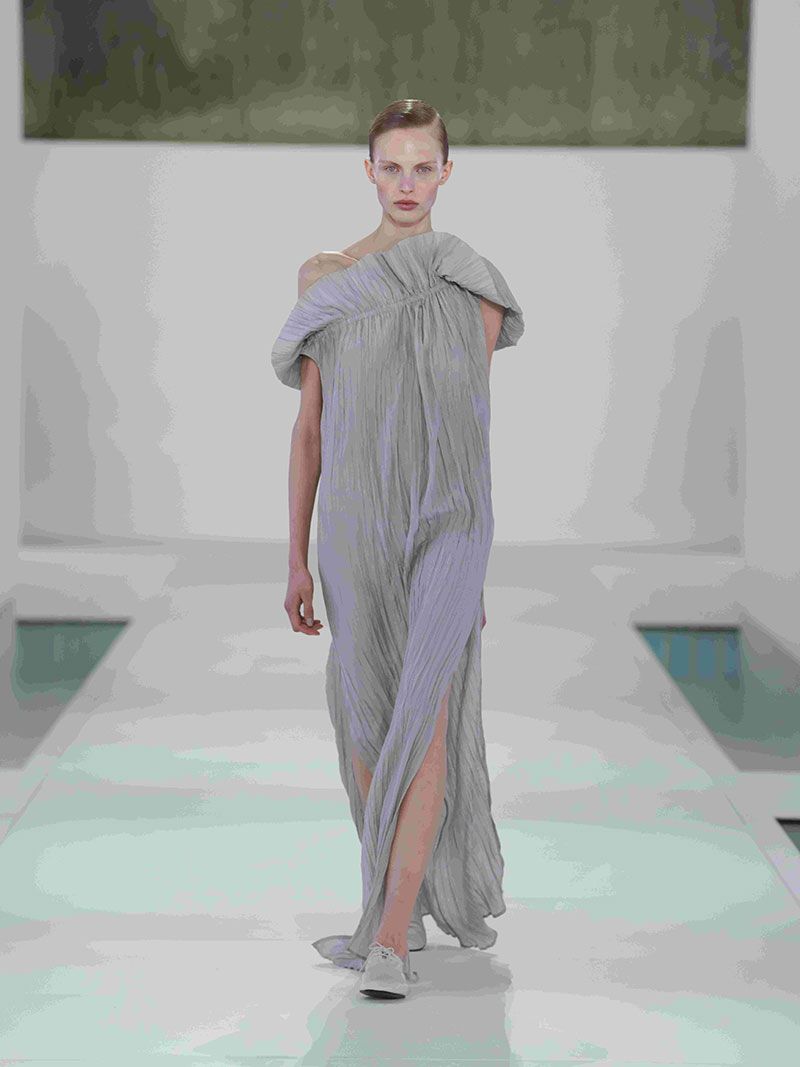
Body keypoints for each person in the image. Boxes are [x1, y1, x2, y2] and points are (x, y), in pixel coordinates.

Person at [270, 99, 525, 998]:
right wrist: (296, 556)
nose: (408, 184)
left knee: (426, 720)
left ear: (447, 173)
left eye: (424, 167)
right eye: (392, 167)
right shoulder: (327, 278)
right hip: (356, 524)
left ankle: (388, 936)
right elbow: (311, 429)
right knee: (370, 715)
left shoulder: (472, 283)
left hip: (452, 517)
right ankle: (397, 897)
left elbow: (470, 423)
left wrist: (472, 569)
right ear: (369, 170)